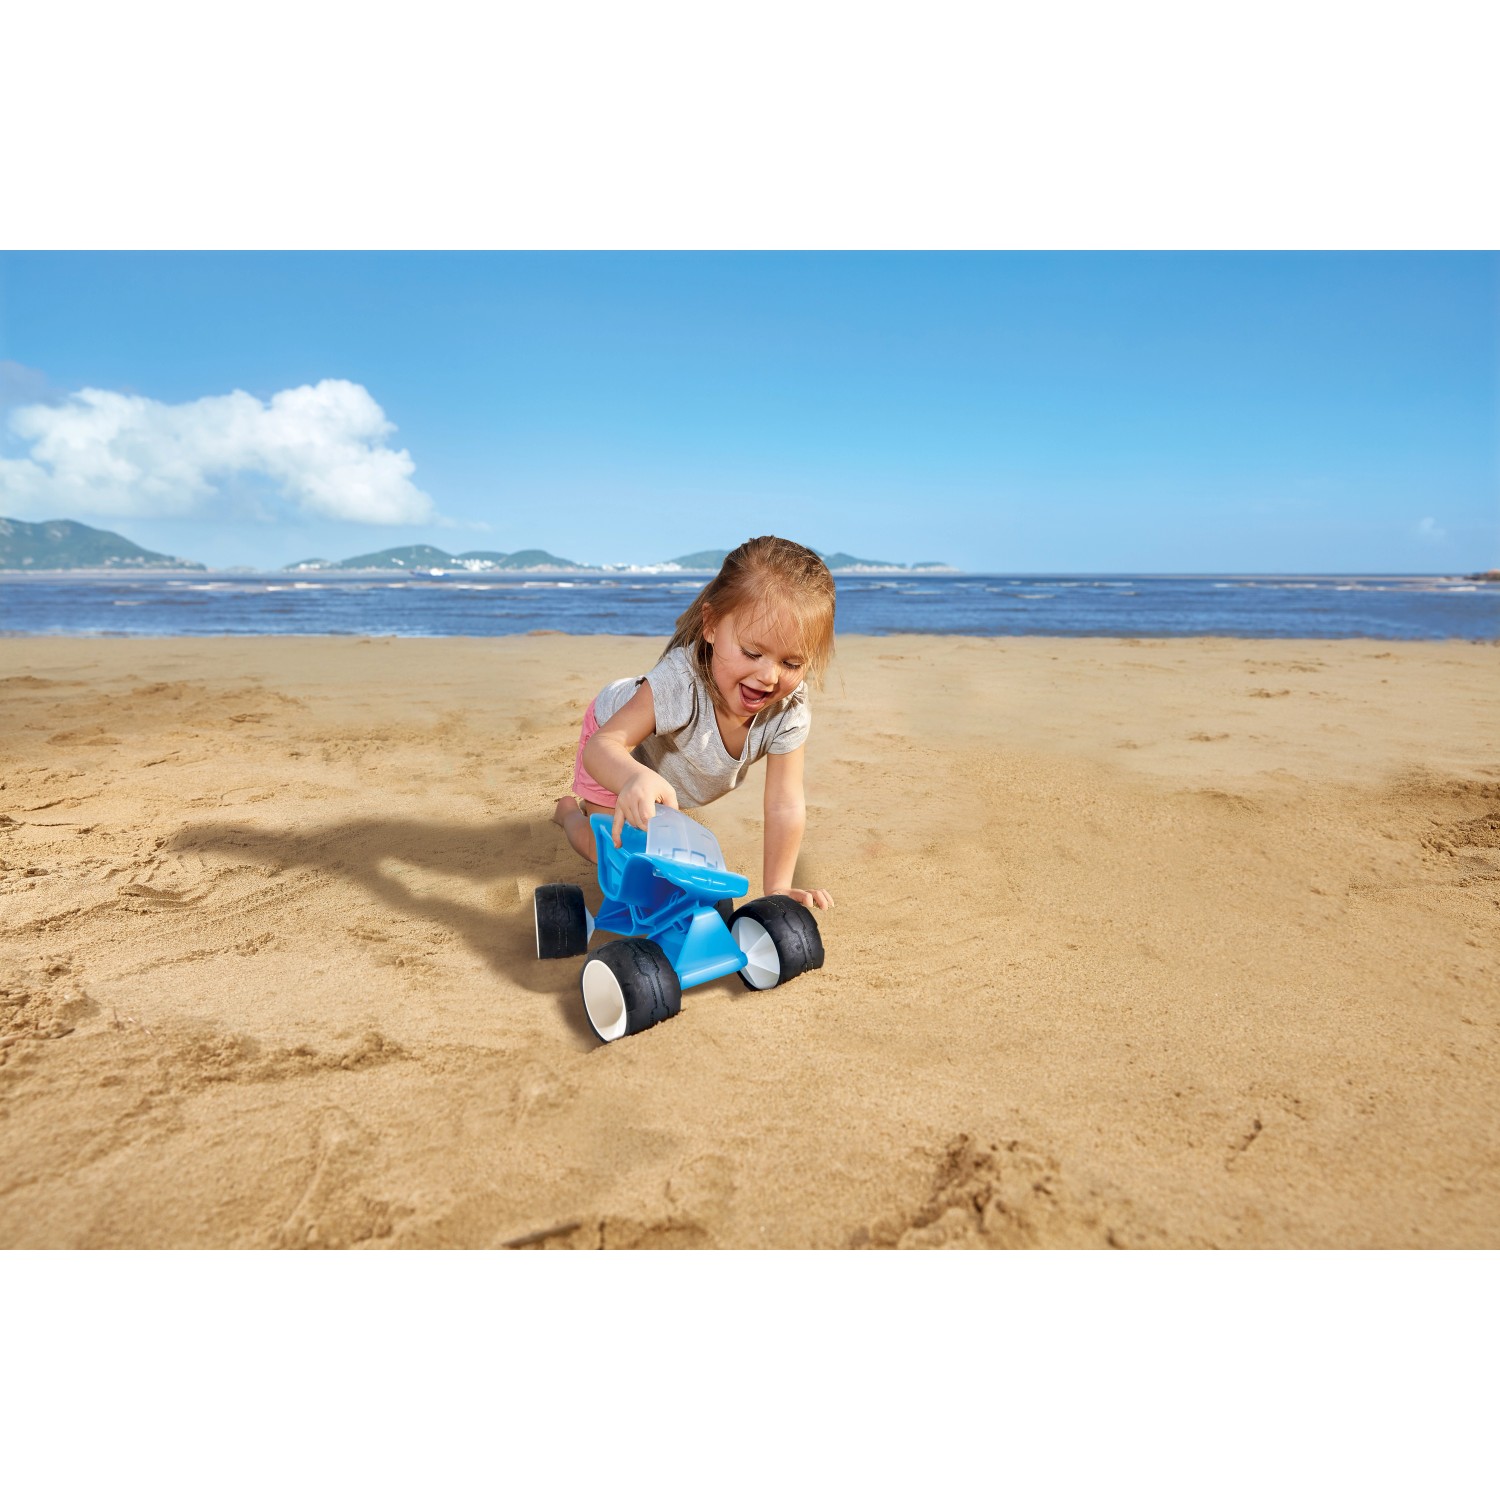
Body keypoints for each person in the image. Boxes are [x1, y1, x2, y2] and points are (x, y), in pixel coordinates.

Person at [551, 535, 835, 912]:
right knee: (604, 853)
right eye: (752, 652)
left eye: (792, 664)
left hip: (669, 774)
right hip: (618, 743)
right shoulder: (679, 685)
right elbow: (601, 748)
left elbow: (785, 803)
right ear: (712, 625)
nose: (769, 677)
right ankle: (568, 812)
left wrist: (778, 888)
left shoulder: (788, 710)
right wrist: (633, 777)